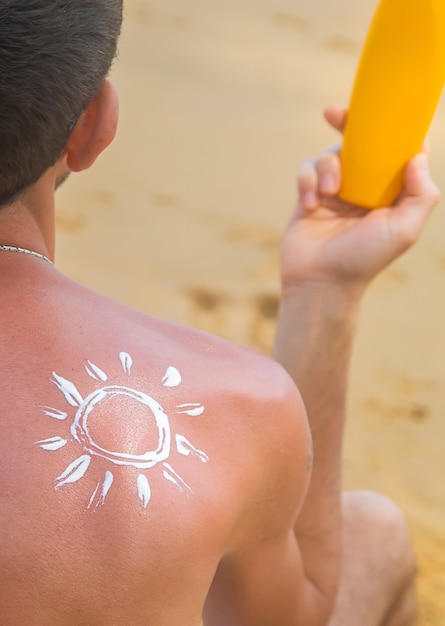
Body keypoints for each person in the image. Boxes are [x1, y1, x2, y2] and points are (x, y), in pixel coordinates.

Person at [0, 2, 440, 625]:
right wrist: (325, 290)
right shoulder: (236, 408)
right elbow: (292, 613)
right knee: (375, 537)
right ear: (91, 127)